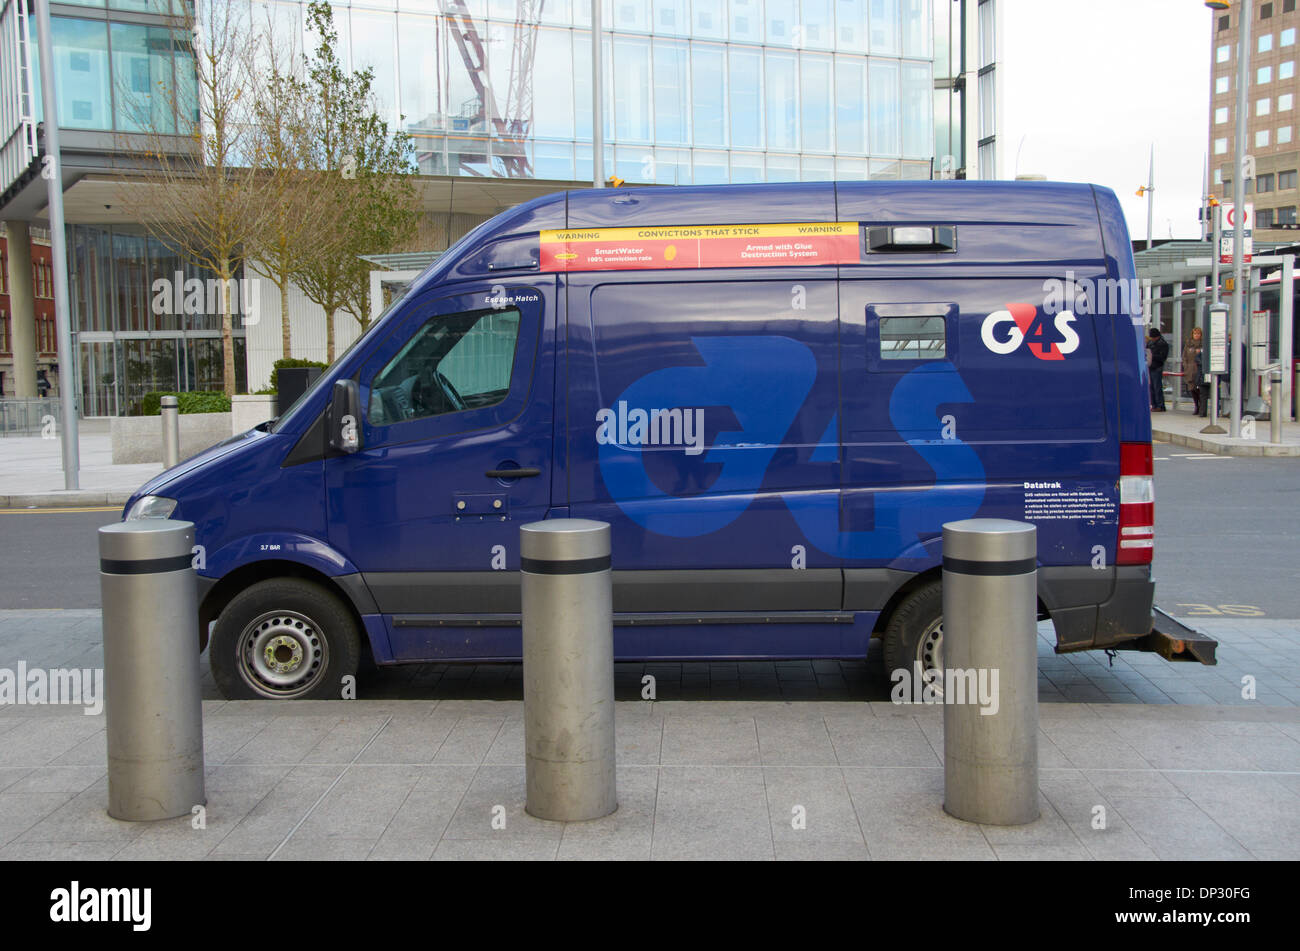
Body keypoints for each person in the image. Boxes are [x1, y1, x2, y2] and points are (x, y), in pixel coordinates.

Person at [1182, 326, 1206, 416]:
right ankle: (1196, 406)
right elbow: (1184, 356)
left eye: (1198, 334)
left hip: (1199, 369)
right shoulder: (1188, 344)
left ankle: (1202, 406)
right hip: (1189, 369)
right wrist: (1185, 365)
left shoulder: (1203, 344)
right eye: (1195, 333)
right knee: (1192, 388)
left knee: (1199, 388)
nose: (1196, 335)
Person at [1147, 327, 1169, 412]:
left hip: (1157, 367)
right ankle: (1154, 404)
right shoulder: (1150, 343)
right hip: (1150, 366)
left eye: (1153, 337)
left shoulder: (1162, 344)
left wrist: (1152, 355)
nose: (1152, 339)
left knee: (1157, 387)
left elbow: (1162, 357)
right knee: (1151, 387)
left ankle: (1160, 405)